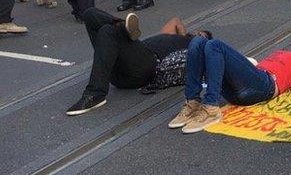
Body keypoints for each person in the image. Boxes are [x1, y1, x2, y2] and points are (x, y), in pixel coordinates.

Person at [172, 34, 291, 134]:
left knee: (215, 45)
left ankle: (211, 106)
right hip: (246, 84)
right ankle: (193, 102)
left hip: (265, 84)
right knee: (198, 41)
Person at [66, 8, 211, 115]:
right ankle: (122, 26)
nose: (198, 35)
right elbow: (175, 21)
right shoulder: (175, 36)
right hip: (123, 68)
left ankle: (95, 94)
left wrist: (198, 42)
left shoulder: (193, 51)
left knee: (107, 31)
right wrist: (185, 34)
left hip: (148, 66)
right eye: (198, 32)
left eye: (202, 36)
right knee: (89, 14)